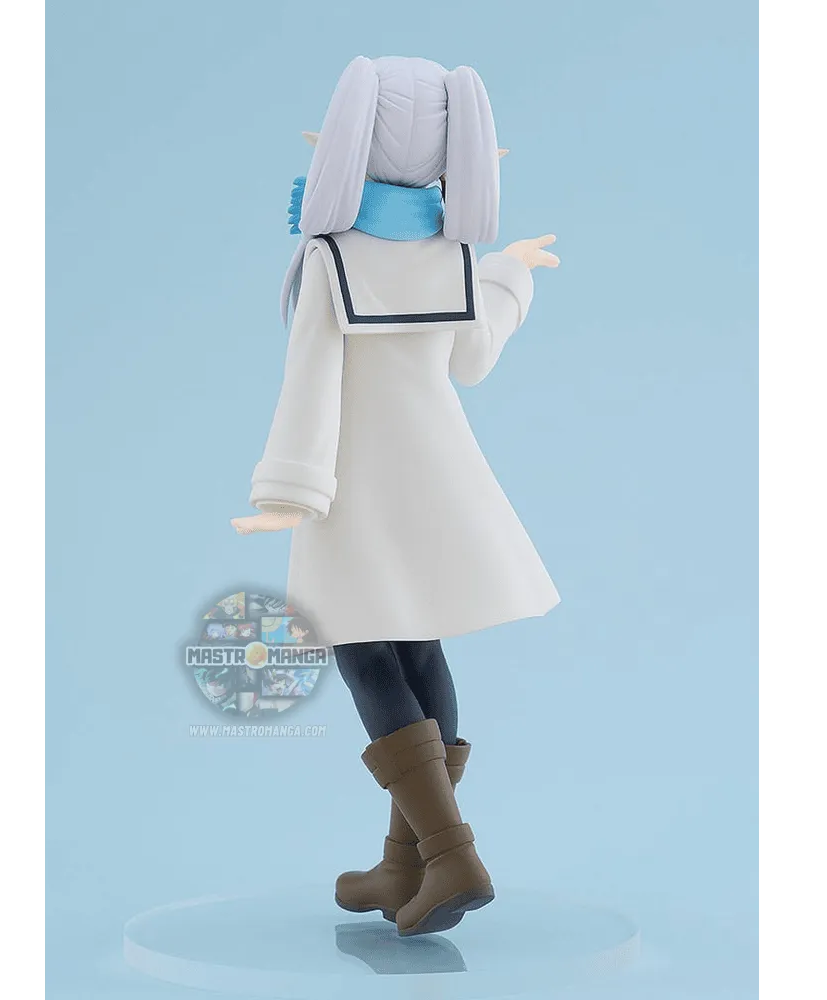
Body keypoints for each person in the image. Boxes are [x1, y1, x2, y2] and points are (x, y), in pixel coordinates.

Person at [230, 56, 560, 937]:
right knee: (417, 646)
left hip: (352, 483)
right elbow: (473, 358)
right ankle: (404, 862)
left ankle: (450, 853)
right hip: (439, 475)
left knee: (365, 651)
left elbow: (311, 378)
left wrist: (290, 488)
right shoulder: (453, 251)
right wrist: (511, 273)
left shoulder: (333, 257)